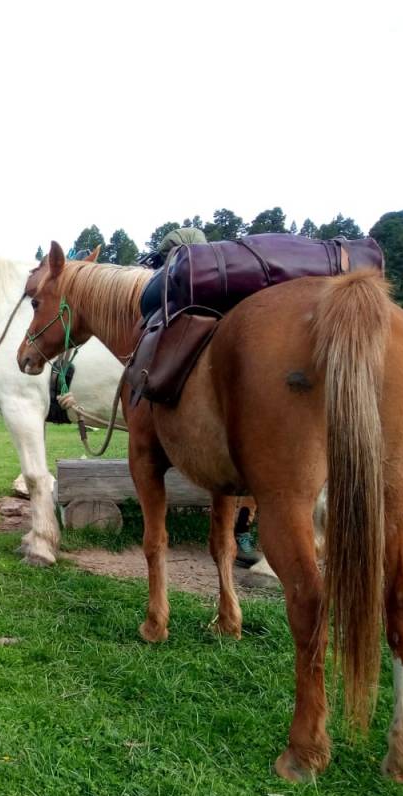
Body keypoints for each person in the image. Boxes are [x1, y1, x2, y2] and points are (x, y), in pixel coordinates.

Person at [136, 227, 265, 569]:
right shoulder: (237, 292)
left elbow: (148, 302)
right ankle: (246, 531)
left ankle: (245, 529)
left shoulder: (173, 303)